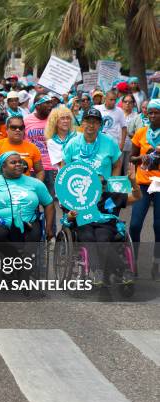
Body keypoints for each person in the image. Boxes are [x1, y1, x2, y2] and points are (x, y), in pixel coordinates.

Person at [0, 152, 54, 267]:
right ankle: (18, 260)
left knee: (35, 236)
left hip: (28, 222)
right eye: (13, 162)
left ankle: (18, 269)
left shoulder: (35, 183)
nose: (18, 164)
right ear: (3, 166)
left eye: (20, 162)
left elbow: (49, 204)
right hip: (0, 223)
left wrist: (48, 228)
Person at [62, 164, 141, 285]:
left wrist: (133, 181)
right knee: (88, 238)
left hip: (105, 226)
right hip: (85, 224)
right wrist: (70, 216)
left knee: (102, 239)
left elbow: (137, 197)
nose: (100, 186)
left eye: (103, 183)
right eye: (96, 183)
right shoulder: (78, 198)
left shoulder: (111, 197)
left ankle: (123, 271)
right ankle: (98, 271)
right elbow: (66, 219)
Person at [129, 99, 160, 275]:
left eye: (156, 112)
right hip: (142, 184)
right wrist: (142, 158)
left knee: (158, 225)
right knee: (134, 224)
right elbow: (132, 157)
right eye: (150, 112)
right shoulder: (141, 132)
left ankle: (156, 262)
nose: (153, 115)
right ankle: (134, 260)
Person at [63, 108, 122, 180]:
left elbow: (117, 166)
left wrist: (112, 185)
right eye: (88, 121)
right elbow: (64, 168)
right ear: (82, 123)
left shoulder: (110, 142)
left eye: (95, 122)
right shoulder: (72, 143)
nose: (91, 125)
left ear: (100, 125)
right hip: (78, 189)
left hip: (104, 189)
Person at [0, 115, 44, 181]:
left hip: (25, 188)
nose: (18, 130)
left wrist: (37, 186)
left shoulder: (32, 148)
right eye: (13, 127)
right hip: (3, 187)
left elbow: (40, 171)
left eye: (21, 128)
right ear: (7, 130)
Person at [24, 94, 55, 192]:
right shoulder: (26, 120)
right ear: (37, 106)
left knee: (49, 201)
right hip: (33, 168)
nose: (50, 105)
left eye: (51, 103)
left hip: (51, 167)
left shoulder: (54, 120)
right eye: (47, 103)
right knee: (33, 201)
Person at [95, 90, 127, 154]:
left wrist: (122, 144)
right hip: (99, 144)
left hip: (114, 145)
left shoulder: (119, 111)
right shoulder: (97, 109)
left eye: (115, 100)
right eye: (111, 100)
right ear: (105, 99)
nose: (113, 102)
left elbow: (124, 128)